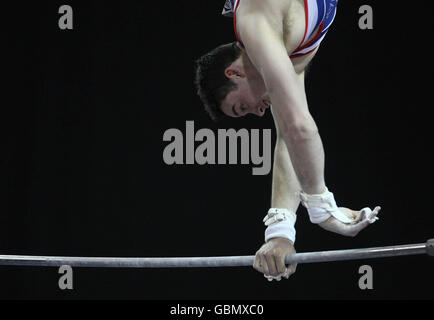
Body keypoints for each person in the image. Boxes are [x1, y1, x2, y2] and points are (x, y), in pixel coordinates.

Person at [194, 0, 380, 281]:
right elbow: (288, 136)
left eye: (240, 107)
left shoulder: (255, 23)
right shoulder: (284, 53)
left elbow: (299, 128)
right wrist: (280, 233)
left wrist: (321, 206)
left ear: (234, 73)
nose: (257, 113)